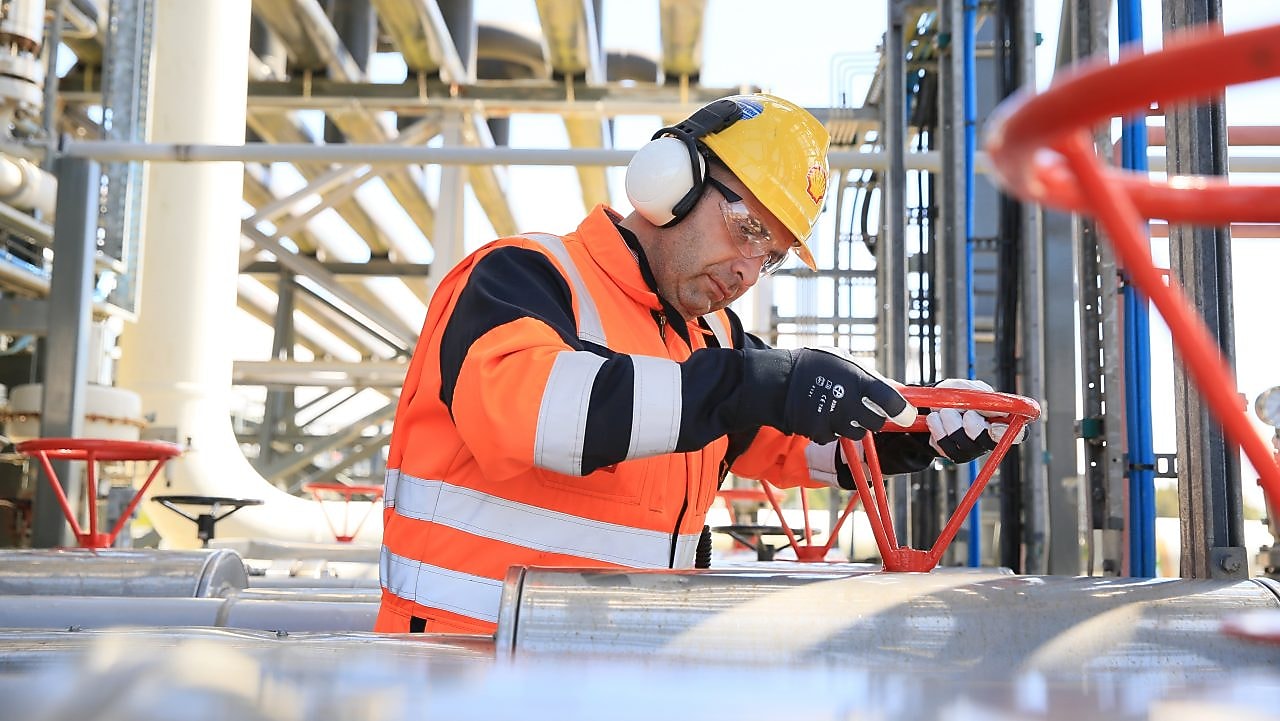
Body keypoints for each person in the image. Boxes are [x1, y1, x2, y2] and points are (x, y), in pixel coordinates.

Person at [375, 94, 1021, 634]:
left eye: (771, 258)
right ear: (671, 180)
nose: (747, 272)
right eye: (748, 229)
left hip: (614, 679)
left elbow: (790, 435)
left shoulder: (709, 341)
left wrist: (919, 427)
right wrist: (751, 383)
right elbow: (534, 414)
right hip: (457, 674)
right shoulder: (525, 276)